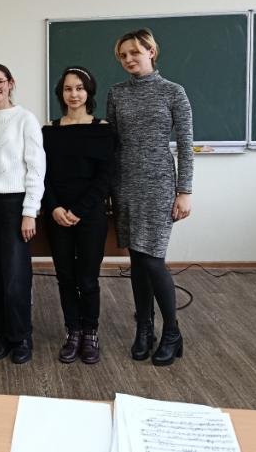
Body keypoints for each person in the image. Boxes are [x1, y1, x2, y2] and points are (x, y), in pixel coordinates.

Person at [107, 29, 193, 366]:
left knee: (153, 259)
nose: (129, 59)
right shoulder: (116, 93)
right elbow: (112, 144)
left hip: (159, 185)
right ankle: (144, 329)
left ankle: (171, 331)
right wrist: (109, 190)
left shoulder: (173, 92)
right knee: (137, 261)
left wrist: (184, 191)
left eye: (134, 52)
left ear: (151, 51)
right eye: (123, 55)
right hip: (125, 184)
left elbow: (186, 146)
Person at [0, 64, 45, 365]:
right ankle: (1, 333)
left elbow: (36, 167)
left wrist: (30, 212)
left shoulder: (26, 119)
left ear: (11, 83)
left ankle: (21, 335)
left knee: (16, 274)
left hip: (15, 204)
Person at [41, 66, 115, 365]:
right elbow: (41, 175)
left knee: (88, 277)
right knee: (65, 276)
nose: (74, 94)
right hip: (57, 214)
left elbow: (105, 177)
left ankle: (90, 332)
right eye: (68, 89)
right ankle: (72, 331)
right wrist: (55, 208)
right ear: (61, 93)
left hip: (90, 214)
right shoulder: (48, 131)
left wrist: (79, 210)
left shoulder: (103, 128)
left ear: (89, 91)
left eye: (79, 88)